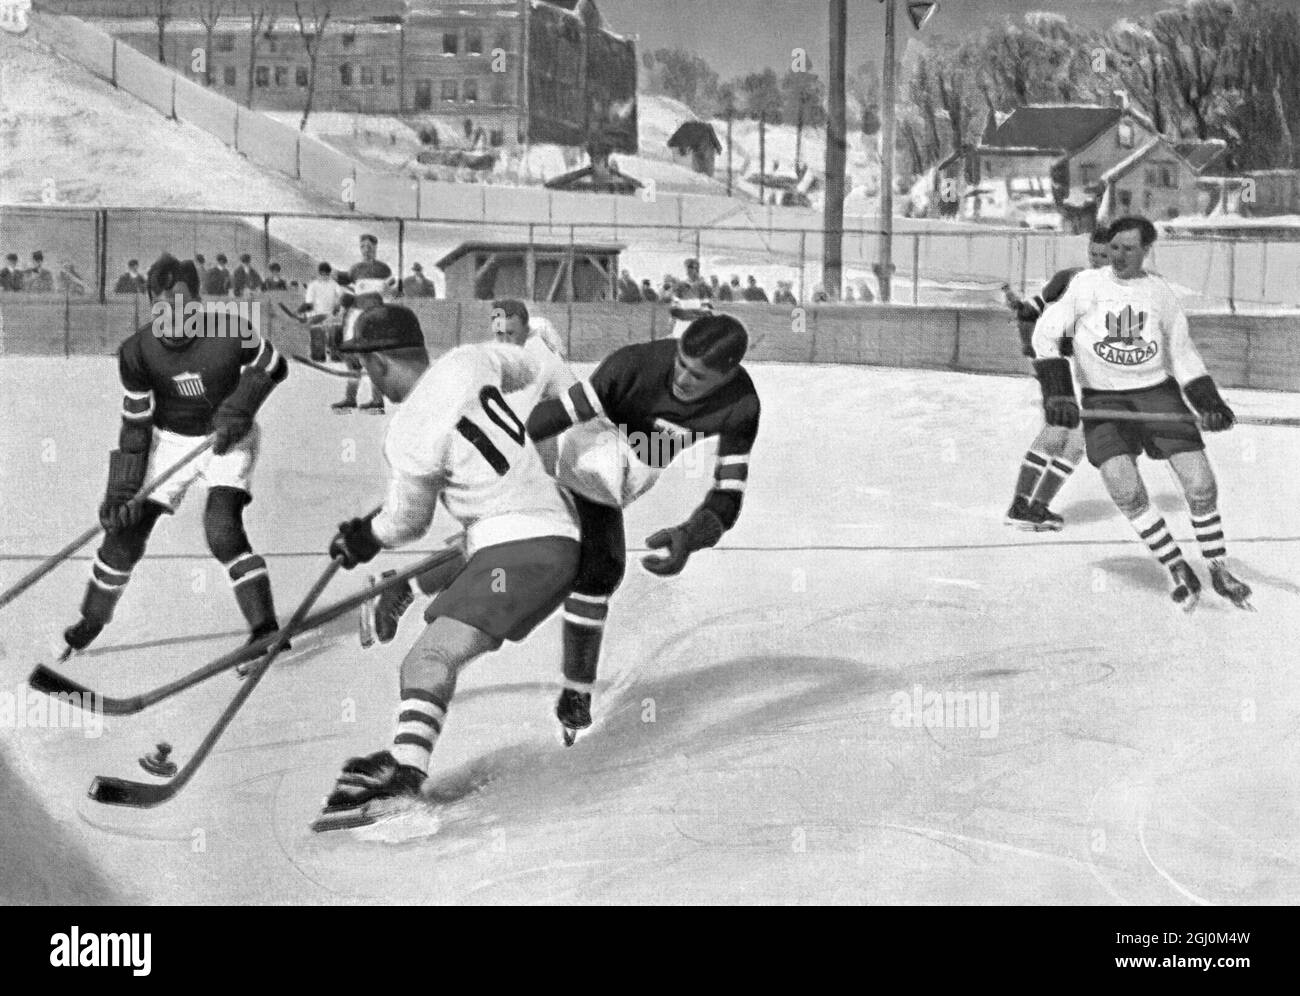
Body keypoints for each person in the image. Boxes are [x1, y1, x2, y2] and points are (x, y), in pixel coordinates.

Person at [366, 311, 762, 746]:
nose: (682, 379)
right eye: (681, 364)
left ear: (726, 377)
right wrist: (515, 466)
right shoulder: (636, 364)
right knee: (578, 561)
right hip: (578, 452)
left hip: (622, 478)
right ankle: (575, 696)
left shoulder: (741, 405)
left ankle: (406, 584)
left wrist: (691, 535)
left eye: (698, 376)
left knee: (575, 560)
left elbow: (728, 495)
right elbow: (557, 416)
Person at [314, 307, 581, 823]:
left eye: (364, 365)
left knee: (426, 661)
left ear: (377, 363)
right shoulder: (470, 360)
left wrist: (363, 538)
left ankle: (405, 776)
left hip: (521, 553)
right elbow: (530, 368)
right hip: (554, 530)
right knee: (477, 534)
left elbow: (405, 525)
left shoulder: (408, 431)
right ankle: (404, 589)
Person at [57, 254, 290, 662]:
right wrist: (123, 489)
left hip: (227, 438)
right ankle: (92, 618)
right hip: (171, 441)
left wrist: (239, 406)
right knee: (125, 531)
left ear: (198, 301)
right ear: (151, 303)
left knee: (222, 529)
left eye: (183, 304)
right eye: (163, 305)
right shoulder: (136, 352)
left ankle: (265, 629)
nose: (174, 314)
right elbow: (135, 425)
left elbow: (273, 363)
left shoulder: (231, 330)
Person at [1032, 216, 1251, 610]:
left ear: (1146, 250)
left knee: (1201, 486)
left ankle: (1218, 566)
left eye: (1128, 249)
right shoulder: (1086, 285)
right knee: (1127, 492)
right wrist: (1059, 394)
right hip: (1103, 402)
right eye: (1113, 247)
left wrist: (1210, 404)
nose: (1117, 256)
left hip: (1157, 396)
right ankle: (1175, 565)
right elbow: (1044, 336)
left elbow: (1182, 354)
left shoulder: (1159, 292)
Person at [1003, 227, 1111, 530]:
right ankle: (1021, 503)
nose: (1099, 260)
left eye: (1105, 255)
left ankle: (1036, 506)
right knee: (1058, 430)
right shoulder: (1070, 278)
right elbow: (1033, 309)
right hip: (1061, 366)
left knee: (1076, 443)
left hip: (1089, 369)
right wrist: (1020, 308)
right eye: (1094, 254)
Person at [336, 234, 393, 413]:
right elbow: (351, 293)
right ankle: (350, 398)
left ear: (375, 248)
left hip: (375, 317)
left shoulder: (384, 270)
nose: (366, 250)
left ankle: (377, 401)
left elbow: (389, 295)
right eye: (363, 246)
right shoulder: (355, 270)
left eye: (369, 246)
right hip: (357, 315)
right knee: (352, 356)